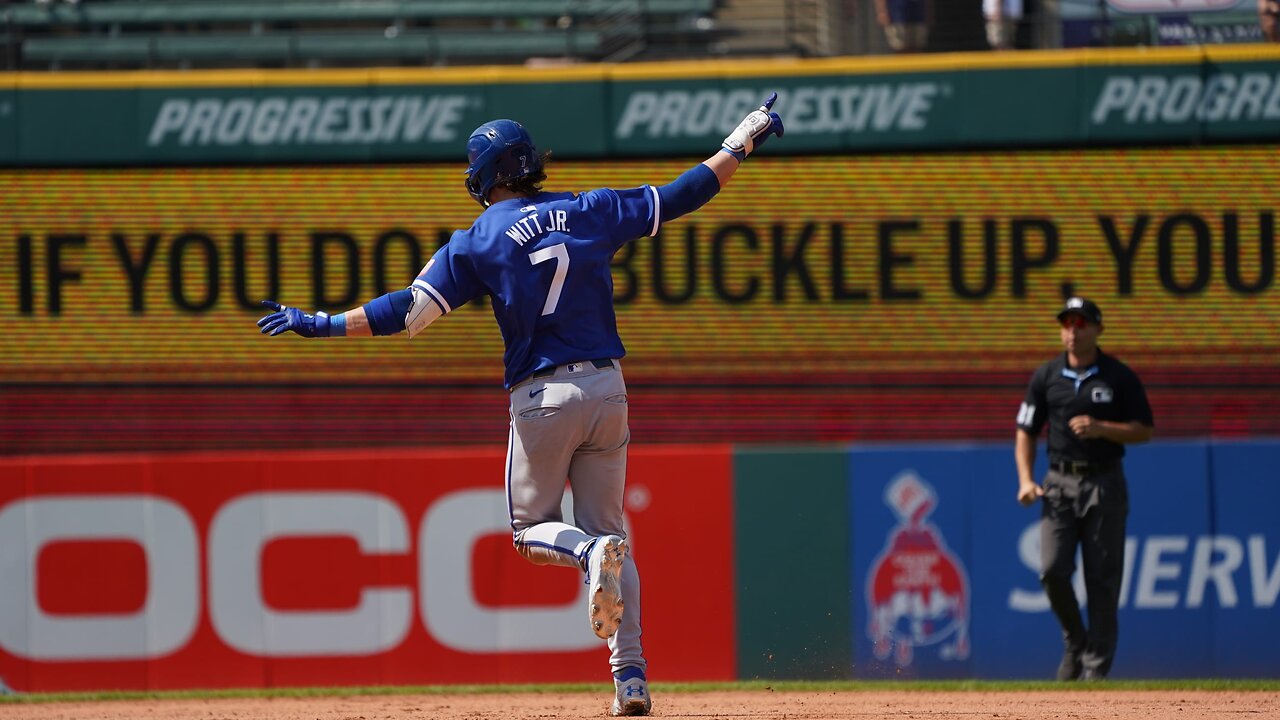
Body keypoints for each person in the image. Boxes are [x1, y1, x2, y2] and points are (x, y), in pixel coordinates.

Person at [255, 96, 784, 715]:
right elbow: (685, 192)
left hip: (543, 395)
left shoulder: (478, 239)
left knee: (532, 531)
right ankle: (631, 678)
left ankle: (586, 556)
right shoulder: (592, 208)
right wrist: (742, 140)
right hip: (608, 388)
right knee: (613, 531)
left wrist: (316, 323)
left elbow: (407, 313)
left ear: (483, 176)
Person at [1014, 297, 1154, 681]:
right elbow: (1025, 430)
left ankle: (1095, 672)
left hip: (1104, 481)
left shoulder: (1117, 376)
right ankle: (1076, 639)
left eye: (1081, 324)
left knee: (1102, 580)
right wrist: (1026, 479)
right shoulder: (1047, 377)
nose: (1073, 332)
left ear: (1097, 329)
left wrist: (1102, 428)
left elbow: (1144, 429)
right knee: (1052, 569)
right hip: (1059, 481)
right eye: (1067, 324)